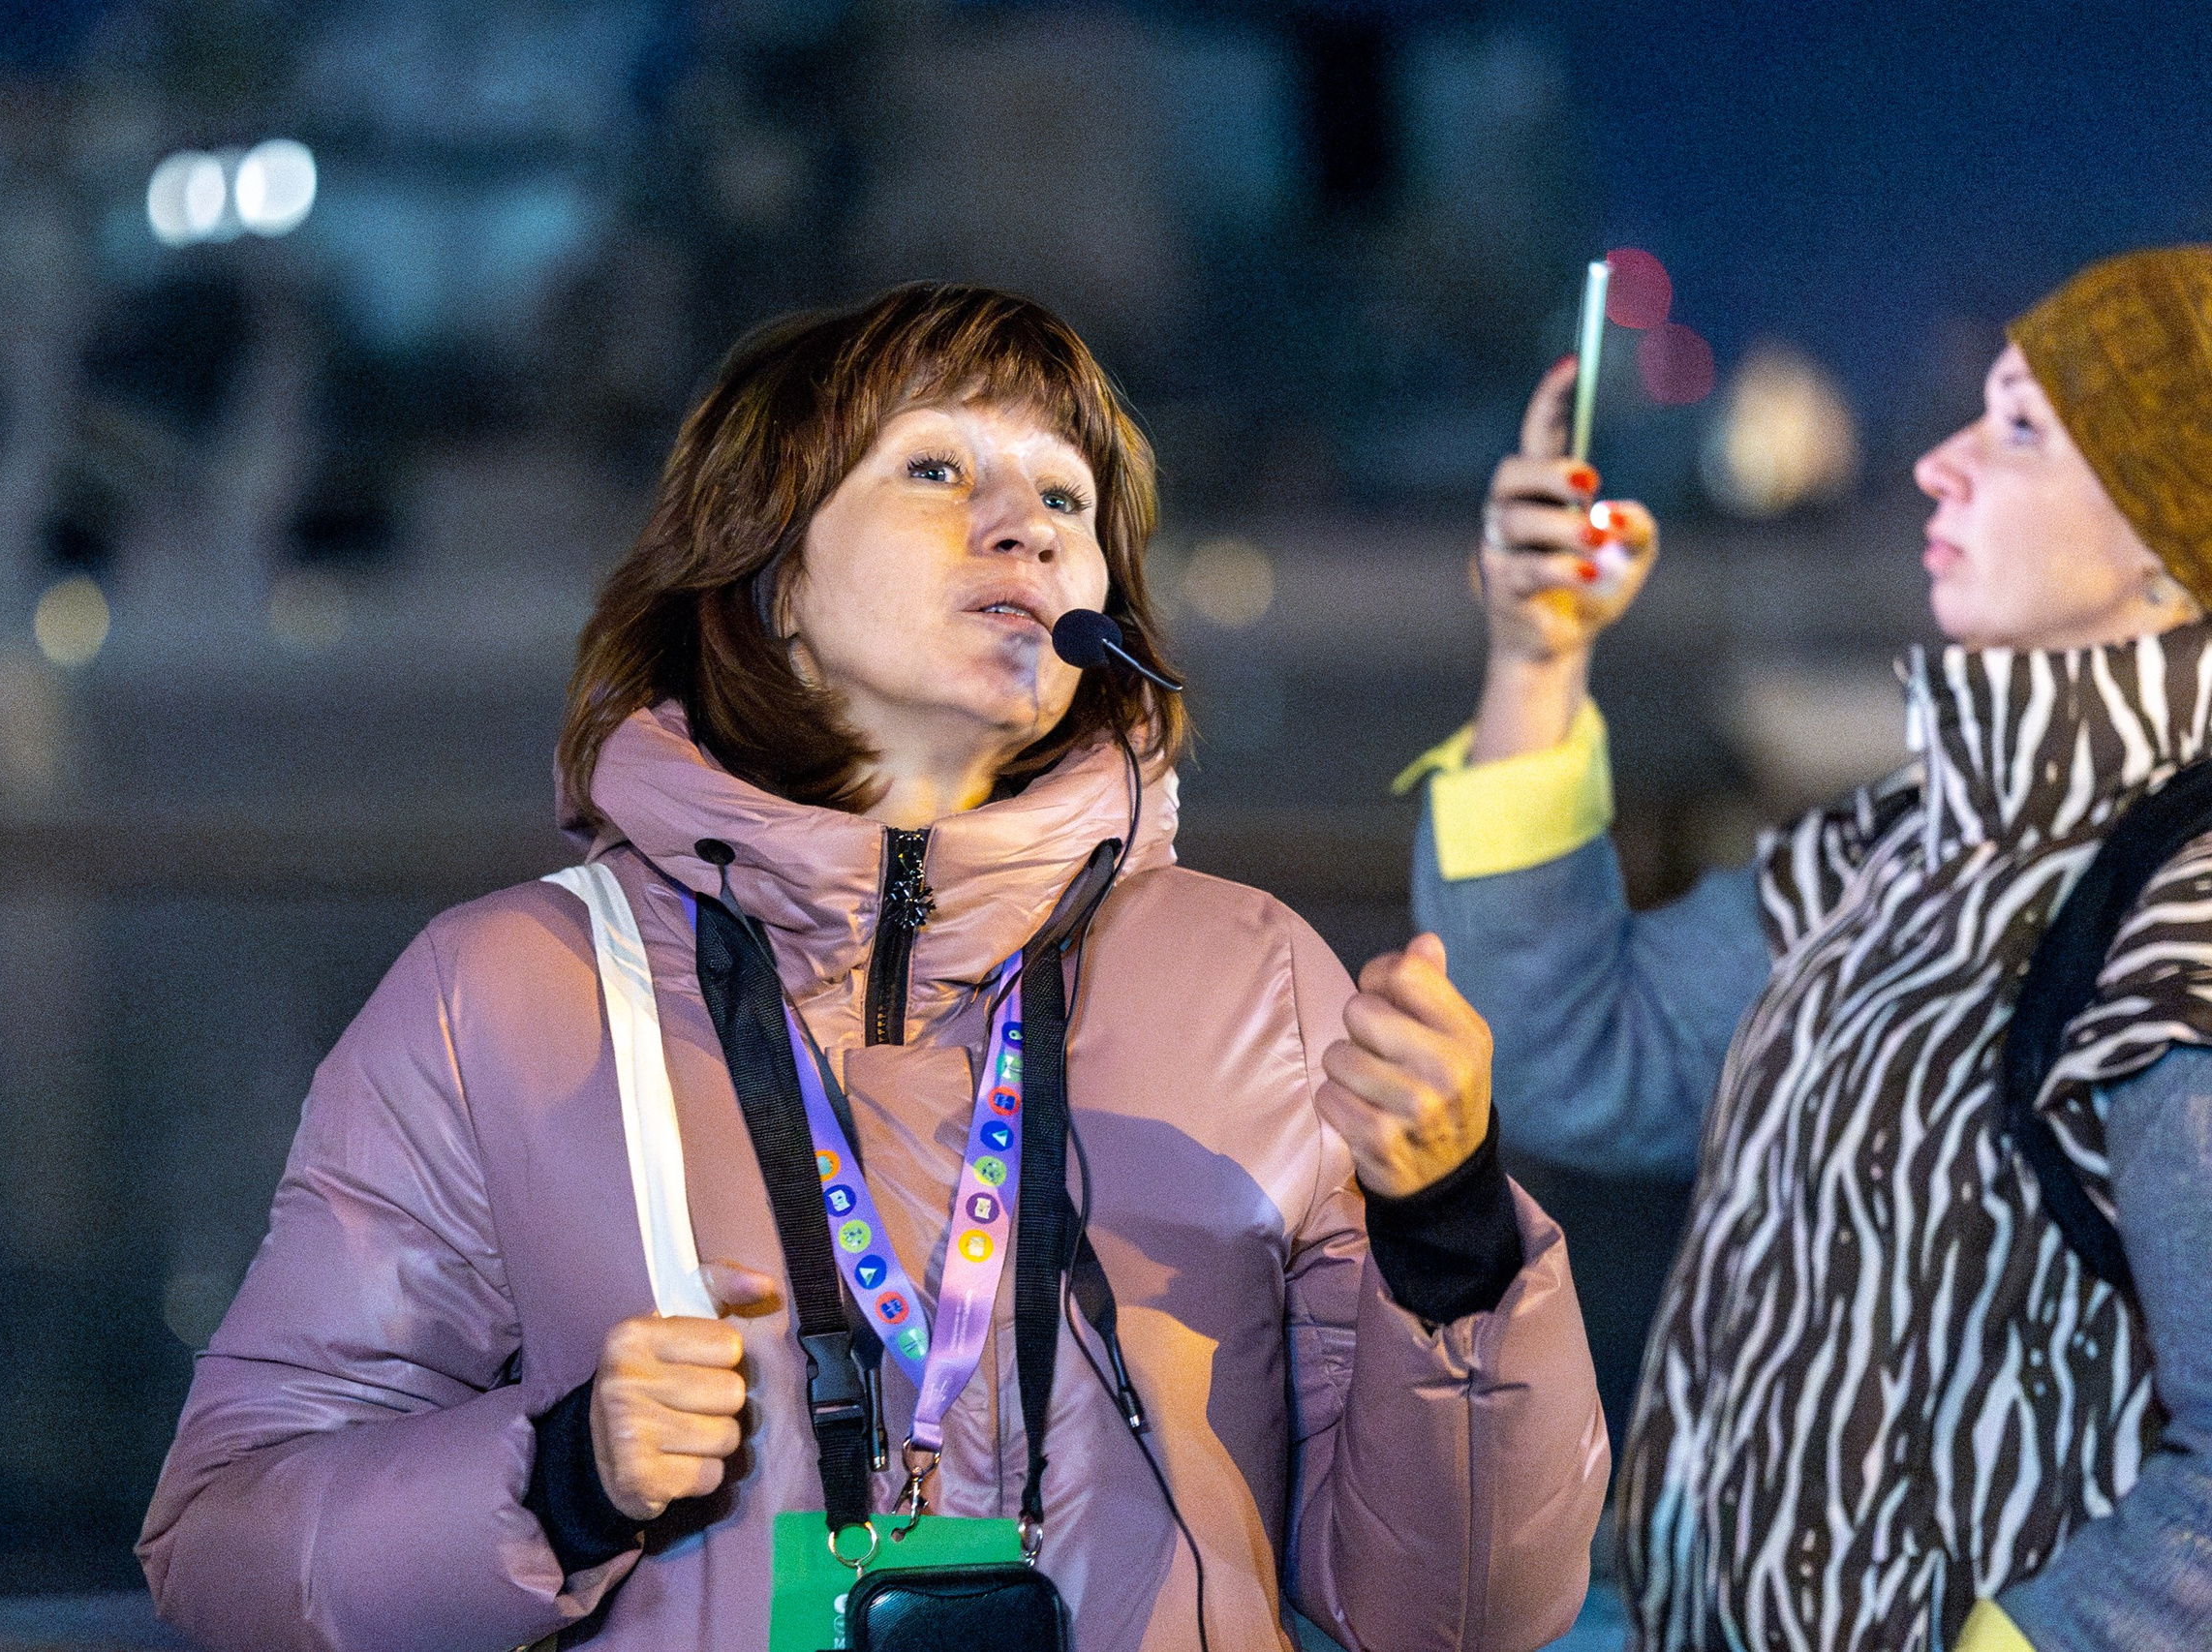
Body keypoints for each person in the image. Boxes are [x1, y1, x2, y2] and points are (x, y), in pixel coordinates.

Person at [138, 284, 1607, 1652]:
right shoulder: (507, 994)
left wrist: (1452, 1229)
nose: (1025, 529)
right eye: (935, 469)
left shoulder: (1256, 981)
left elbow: (1468, 1611)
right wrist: (559, 1479)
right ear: (771, 575)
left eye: (1066, 499)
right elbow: (223, 1540)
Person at [1406, 244, 2212, 1652]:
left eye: (2023, 429)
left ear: (2168, 534)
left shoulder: (2185, 921)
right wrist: (1536, 659)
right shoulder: (1890, 851)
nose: (1940, 464)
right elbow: (1568, 1052)